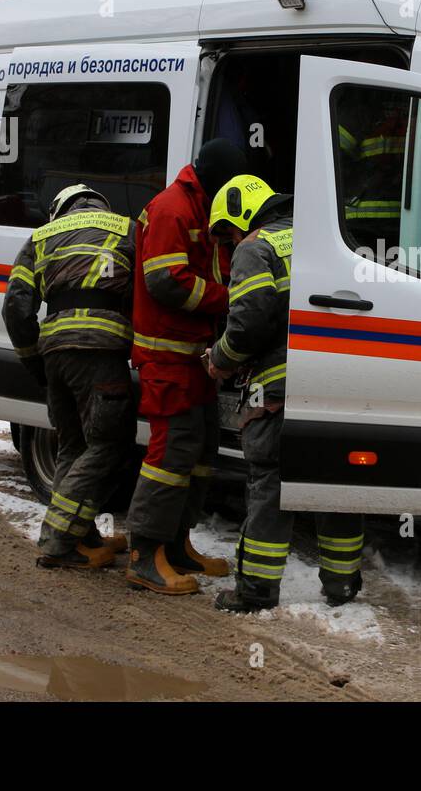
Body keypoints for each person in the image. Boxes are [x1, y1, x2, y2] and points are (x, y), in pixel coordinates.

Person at [204, 175, 364, 613]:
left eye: (228, 232)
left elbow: (250, 323)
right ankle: (342, 584)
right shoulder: (325, 236)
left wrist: (220, 359)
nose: (231, 241)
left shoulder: (256, 249)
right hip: (338, 383)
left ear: (242, 215)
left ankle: (256, 589)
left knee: (270, 485)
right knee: (333, 483)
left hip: (278, 388)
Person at [124, 139, 248, 595]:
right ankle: (143, 556)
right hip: (167, 356)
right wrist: (229, 300)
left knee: (199, 456)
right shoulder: (173, 208)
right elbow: (165, 281)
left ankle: (176, 545)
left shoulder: (204, 209)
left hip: (195, 358)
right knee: (169, 456)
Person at [1, 184, 136, 570]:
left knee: (72, 448)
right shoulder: (126, 229)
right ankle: (58, 540)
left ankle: (81, 536)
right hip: (101, 351)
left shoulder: (41, 237)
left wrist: (34, 361)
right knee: (109, 446)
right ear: (99, 203)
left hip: (55, 354)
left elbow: (15, 306)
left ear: (60, 209)